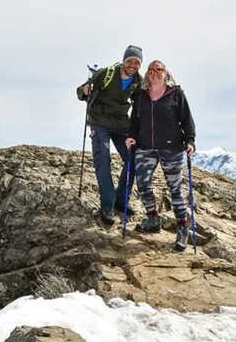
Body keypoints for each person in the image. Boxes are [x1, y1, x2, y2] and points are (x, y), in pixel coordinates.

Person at [125, 60, 196, 251]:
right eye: (151, 70)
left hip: (171, 148)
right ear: (147, 74)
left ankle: (182, 229)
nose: (155, 73)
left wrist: (190, 142)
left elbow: (187, 121)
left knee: (175, 189)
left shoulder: (176, 94)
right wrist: (131, 137)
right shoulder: (141, 96)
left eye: (159, 70)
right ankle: (153, 219)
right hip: (145, 146)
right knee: (142, 183)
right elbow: (135, 121)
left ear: (166, 74)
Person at [76, 45, 143, 225]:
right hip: (99, 123)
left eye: (137, 62)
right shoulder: (107, 74)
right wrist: (84, 91)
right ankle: (108, 205)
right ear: (124, 61)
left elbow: (140, 105)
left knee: (134, 158)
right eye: (130, 61)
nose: (133, 65)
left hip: (122, 124)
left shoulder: (138, 80)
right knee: (103, 158)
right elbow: (80, 92)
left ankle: (121, 201)